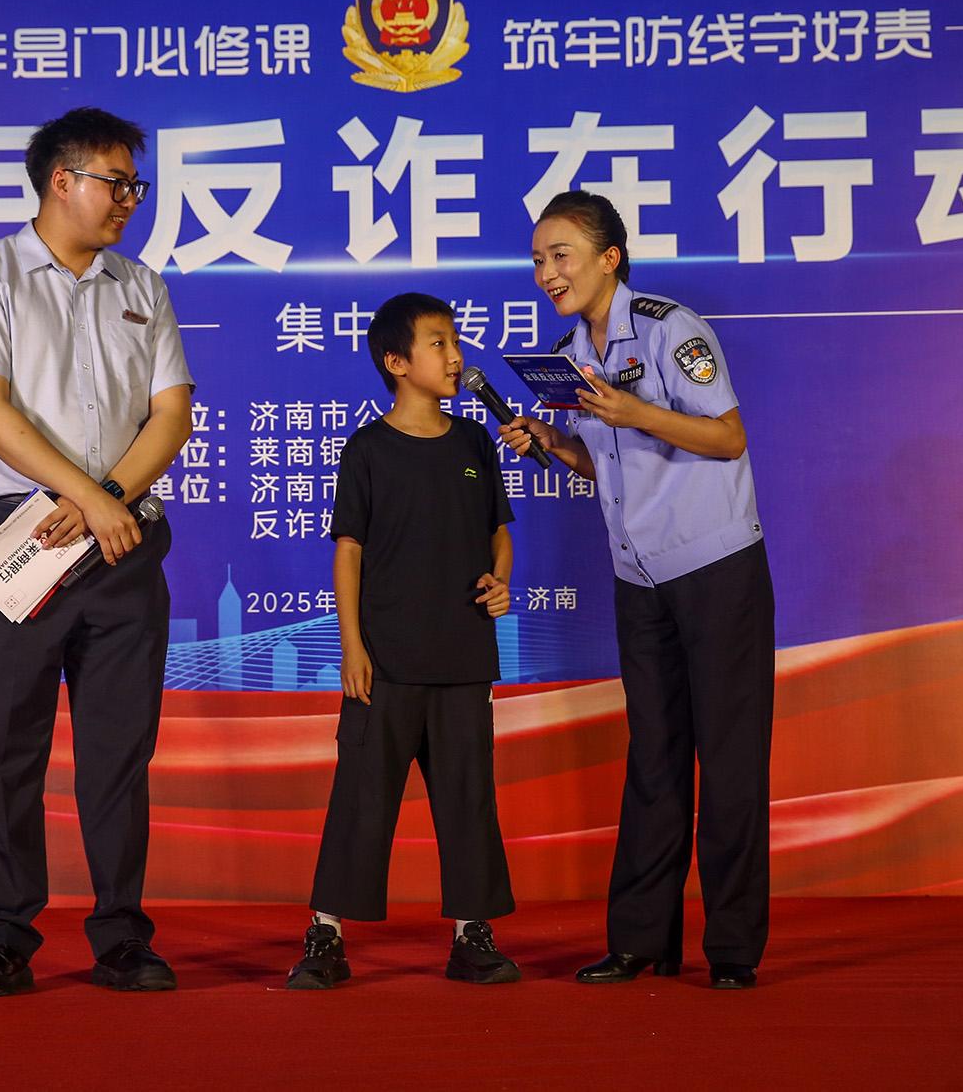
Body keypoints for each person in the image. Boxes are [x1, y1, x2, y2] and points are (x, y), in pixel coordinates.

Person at [0, 107, 193, 997]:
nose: (129, 200)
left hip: (123, 541)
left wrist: (108, 500)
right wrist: (87, 498)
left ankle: (122, 936)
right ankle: (4, 938)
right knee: (7, 745)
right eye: (116, 183)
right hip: (22, 533)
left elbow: (171, 414)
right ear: (61, 180)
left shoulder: (142, 285)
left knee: (119, 751)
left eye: (135, 186)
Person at [501, 191, 775, 991]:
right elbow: (608, 464)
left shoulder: (668, 329)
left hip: (715, 567)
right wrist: (555, 443)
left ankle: (732, 948)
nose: (546, 273)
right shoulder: (568, 353)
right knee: (654, 759)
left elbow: (728, 436)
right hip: (639, 577)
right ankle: (639, 939)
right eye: (538, 260)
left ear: (609, 257)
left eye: (560, 256)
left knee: (728, 758)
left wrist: (636, 411)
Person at [285, 293, 520, 990]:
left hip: (463, 656)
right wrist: (353, 646)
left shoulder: (475, 442)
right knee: (361, 798)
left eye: (456, 342)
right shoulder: (368, 449)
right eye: (438, 343)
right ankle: (326, 935)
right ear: (397, 362)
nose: (456, 357)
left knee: (469, 799)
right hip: (384, 661)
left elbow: (498, 532)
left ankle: (472, 934)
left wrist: (501, 580)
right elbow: (349, 551)